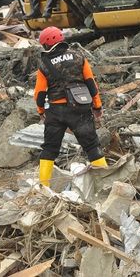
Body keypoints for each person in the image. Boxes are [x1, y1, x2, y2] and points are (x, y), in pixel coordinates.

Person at [34, 26, 106, 187]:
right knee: (92, 146)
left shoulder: (44, 64)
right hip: (79, 108)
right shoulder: (79, 57)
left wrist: (41, 111)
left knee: (49, 149)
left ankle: (43, 187)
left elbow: (39, 93)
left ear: (46, 44)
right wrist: (97, 106)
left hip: (55, 112)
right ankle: (105, 182)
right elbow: (90, 83)